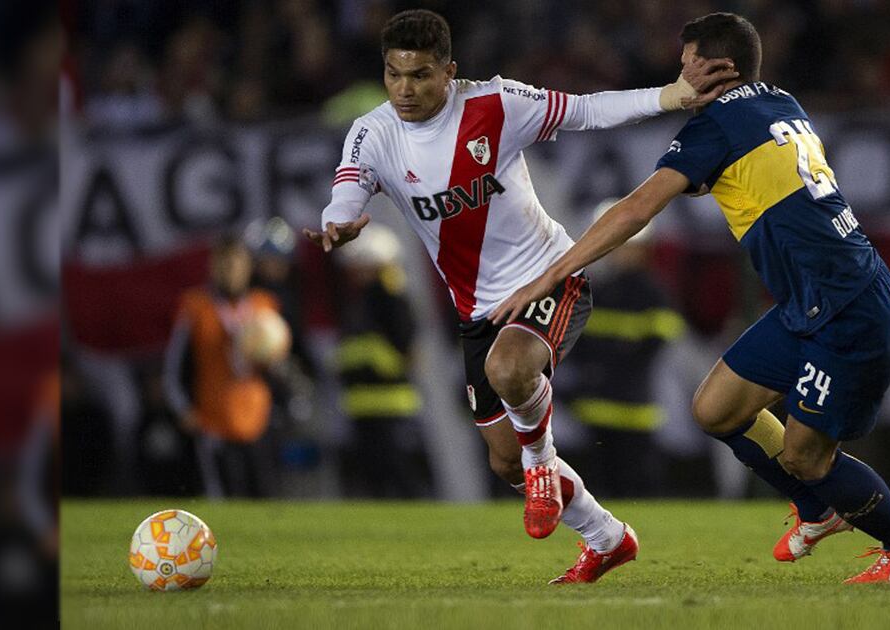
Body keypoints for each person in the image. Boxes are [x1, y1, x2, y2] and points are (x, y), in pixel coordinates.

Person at [492, 12, 890, 584]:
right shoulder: (779, 102)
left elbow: (635, 210)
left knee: (808, 456)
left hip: (847, 306)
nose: (678, 76)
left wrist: (551, 274)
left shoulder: (719, 125)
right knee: (716, 409)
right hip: (810, 301)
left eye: (687, 65)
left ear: (722, 69)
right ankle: (818, 508)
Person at [302, 9, 737, 583]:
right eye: (394, 75)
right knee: (503, 459)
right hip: (476, 310)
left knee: (510, 371)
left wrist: (671, 95)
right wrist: (341, 221)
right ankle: (607, 536)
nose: (405, 90)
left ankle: (541, 465)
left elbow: (586, 110)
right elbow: (347, 189)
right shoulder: (373, 131)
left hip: (549, 277)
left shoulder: (498, 104)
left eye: (421, 75)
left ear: (450, 71)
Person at [564, 199, 684, 496]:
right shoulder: (597, 292)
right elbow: (577, 346)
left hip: (634, 412)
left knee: (637, 488)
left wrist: (604, 366)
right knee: (599, 490)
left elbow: (653, 345)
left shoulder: (652, 293)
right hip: (595, 412)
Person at [164, 234, 280, 498]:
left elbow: (281, 363)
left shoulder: (264, 305)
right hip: (214, 420)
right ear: (213, 268)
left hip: (258, 418)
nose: (231, 272)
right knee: (226, 503)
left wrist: (274, 359)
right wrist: (183, 409)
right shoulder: (196, 307)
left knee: (265, 499)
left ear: (248, 267)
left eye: (237, 265)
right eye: (225, 265)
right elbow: (174, 366)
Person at [335, 223, 431, 498]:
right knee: (376, 470)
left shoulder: (388, 297)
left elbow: (405, 346)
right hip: (366, 399)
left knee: (396, 468)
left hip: (387, 399)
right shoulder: (370, 296)